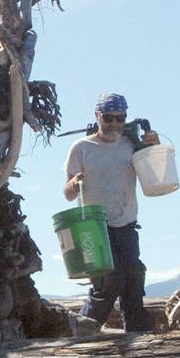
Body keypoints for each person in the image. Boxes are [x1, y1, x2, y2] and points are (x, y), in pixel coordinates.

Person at [63, 93, 159, 332]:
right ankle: (85, 327)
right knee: (108, 281)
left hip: (126, 223)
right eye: (109, 118)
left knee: (133, 277)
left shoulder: (131, 146)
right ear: (98, 117)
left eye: (120, 118)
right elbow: (67, 194)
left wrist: (153, 147)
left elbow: (155, 173)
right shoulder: (82, 148)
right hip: (93, 228)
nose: (114, 124)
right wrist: (74, 182)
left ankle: (138, 332)